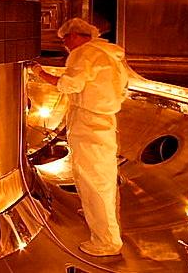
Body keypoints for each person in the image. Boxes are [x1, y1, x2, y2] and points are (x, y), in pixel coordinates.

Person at [29, 17, 128, 257]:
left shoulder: (83, 53)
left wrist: (39, 72)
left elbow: (69, 84)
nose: (65, 46)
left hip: (89, 122)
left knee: (93, 179)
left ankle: (106, 241)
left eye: (65, 41)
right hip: (104, 120)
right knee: (103, 176)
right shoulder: (109, 54)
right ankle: (98, 215)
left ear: (73, 36)